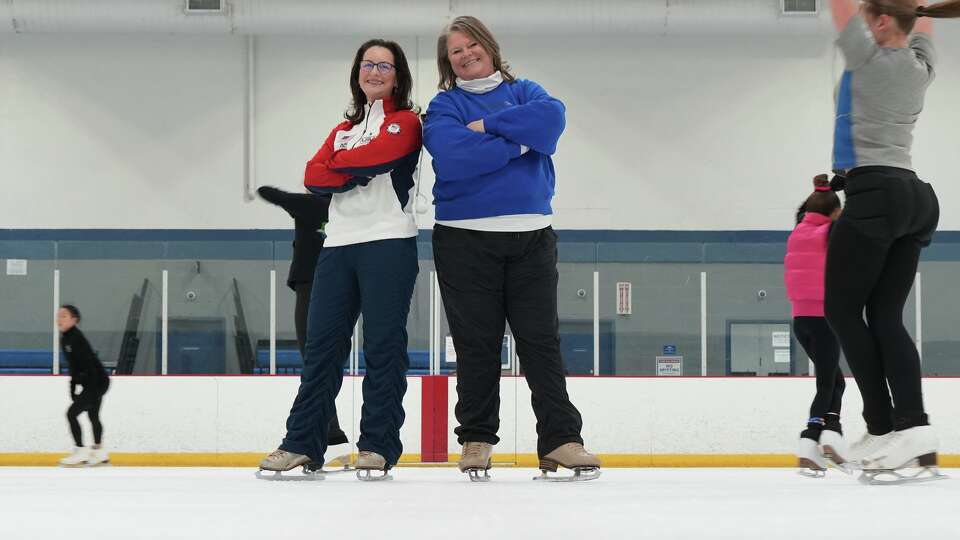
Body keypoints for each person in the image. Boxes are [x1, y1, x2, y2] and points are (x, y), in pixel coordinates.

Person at [423, 15, 600, 481]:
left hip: (531, 237)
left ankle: (561, 439)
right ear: (449, 62)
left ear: (489, 46)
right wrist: (521, 145)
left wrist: (488, 127)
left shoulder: (528, 93)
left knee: (541, 342)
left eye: (471, 45)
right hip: (463, 238)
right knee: (476, 343)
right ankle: (477, 438)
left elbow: (552, 120)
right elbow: (455, 158)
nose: (465, 54)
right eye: (455, 51)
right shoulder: (444, 107)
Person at [258, 38, 421, 481]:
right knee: (321, 349)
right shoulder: (343, 128)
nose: (375, 72)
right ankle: (302, 443)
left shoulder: (407, 121)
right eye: (367, 65)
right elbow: (313, 175)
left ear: (398, 75)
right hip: (338, 245)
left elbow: (383, 155)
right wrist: (351, 167)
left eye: (384, 66)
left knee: (383, 346)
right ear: (357, 73)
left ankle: (377, 445)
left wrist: (341, 167)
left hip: (388, 242)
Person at [824, 0, 960, 477]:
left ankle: (884, 426)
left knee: (840, 310)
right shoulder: (921, 64)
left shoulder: (868, 57)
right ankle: (913, 427)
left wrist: (908, 7)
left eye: (868, 17)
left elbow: (842, 8)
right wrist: (916, 7)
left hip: (876, 193)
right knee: (883, 315)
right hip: (914, 197)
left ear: (881, 22)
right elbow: (920, 22)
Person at [256, 186, 350, 465]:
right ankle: (332, 437)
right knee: (320, 363)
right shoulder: (348, 208)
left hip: (312, 284)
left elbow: (267, 192)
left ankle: (327, 438)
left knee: (314, 362)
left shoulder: (309, 205)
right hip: (341, 286)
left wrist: (300, 197)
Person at [785, 175, 846, 475]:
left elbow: (804, 212)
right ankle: (810, 439)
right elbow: (851, 222)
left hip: (801, 322)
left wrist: (825, 191)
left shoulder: (798, 230)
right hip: (824, 319)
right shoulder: (830, 233)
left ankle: (833, 433)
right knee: (827, 384)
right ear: (834, 214)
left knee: (836, 382)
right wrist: (846, 188)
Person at [57, 305, 111, 467]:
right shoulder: (66, 338)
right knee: (93, 415)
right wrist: (73, 388)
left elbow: (88, 364)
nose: (59, 319)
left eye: (64, 316)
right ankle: (100, 452)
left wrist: (90, 391)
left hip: (97, 381)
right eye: (58, 316)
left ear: (75, 320)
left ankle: (80, 451)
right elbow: (73, 365)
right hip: (93, 382)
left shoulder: (76, 338)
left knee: (71, 413)